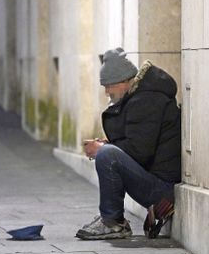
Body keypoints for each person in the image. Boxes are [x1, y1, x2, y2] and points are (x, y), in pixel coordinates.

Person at [76, 48, 181, 240]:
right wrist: (107, 143)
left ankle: (113, 222)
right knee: (108, 152)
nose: (107, 92)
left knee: (107, 155)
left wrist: (102, 149)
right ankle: (111, 218)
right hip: (157, 181)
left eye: (109, 86)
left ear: (125, 81)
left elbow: (139, 151)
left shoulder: (147, 100)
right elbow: (139, 139)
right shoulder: (140, 97)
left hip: (163, 190)